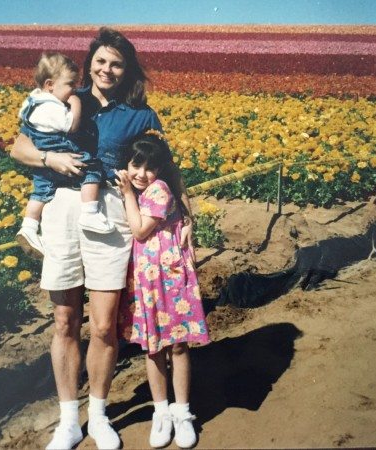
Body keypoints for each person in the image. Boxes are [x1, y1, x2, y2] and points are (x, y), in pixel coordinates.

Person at [10, 27, 194, 450]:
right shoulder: (64, 96)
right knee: (64, 320)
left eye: (116, 62)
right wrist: (49, 157)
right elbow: (19, 145)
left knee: (105, 324)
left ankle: (99, 413)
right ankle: (69, 420)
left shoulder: (140, 114)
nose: (106, 69)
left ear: (126, 69)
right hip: (60, 208)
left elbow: (167, 168)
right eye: (100, 61)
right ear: (89, 62)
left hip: (110, 214)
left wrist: (185, 215)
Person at [116, 132, 210, 449]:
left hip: (169, 276)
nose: (141, 173)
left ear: (159, 170)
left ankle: (181, 412)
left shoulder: (158, 189)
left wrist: (128, 193)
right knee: (153, 347)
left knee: (178, 344)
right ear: (126, 164)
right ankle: (161, 412)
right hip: (146, 277)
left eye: (149, 167)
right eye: (135, 165)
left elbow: (141, 230)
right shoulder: (141, 187)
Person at [16, 52, 114, 259]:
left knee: (41, 190)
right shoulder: (53, 106)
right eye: (70, 84)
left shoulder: (33, 100)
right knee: (93, 168)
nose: (73, 90)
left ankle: (29, 226)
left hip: (43, 165)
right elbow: (70, 126)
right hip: (61, 151)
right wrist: (76, 104)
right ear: (50, 84)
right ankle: (90, 213)